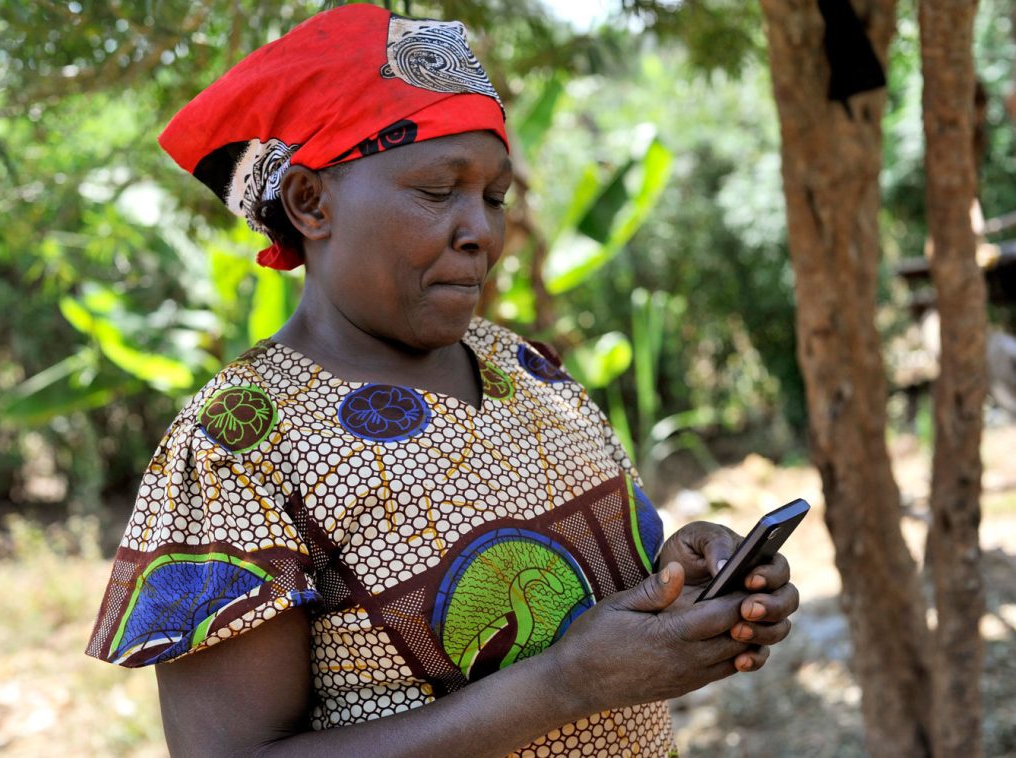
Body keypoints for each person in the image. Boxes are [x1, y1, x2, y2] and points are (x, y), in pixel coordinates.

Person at [85, 5, 799, 756]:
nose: (481, 231)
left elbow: (590, 605)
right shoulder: (241, 444)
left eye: (493, 197)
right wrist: (565, 686)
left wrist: (681, 578)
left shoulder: (526, 369)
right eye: (437, 191)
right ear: (310, 202)